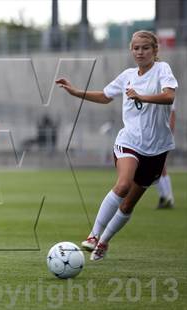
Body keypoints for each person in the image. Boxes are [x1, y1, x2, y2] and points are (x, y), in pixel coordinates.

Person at [55, 30, 178, 261]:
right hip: (129, 141)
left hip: (157, 148)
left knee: (128, 203)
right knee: (122, 186)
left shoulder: (163, 70)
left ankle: (104, 242)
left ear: (155, 50)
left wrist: (142, 96)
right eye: (136, 48)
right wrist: (75, 92)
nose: (140, 52)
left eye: (145, 48)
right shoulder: (127, 76)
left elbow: (169, 96)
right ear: (131, 50)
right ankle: (93, 235)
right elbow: (104, 95)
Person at [155, 104, 176, 209]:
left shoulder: (167, 90)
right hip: (153, 135)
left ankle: (167, 197)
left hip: (162, 136)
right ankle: (165, 197)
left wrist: (170, 134)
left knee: (160, 166)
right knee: (156, 168)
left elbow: (172, 114)